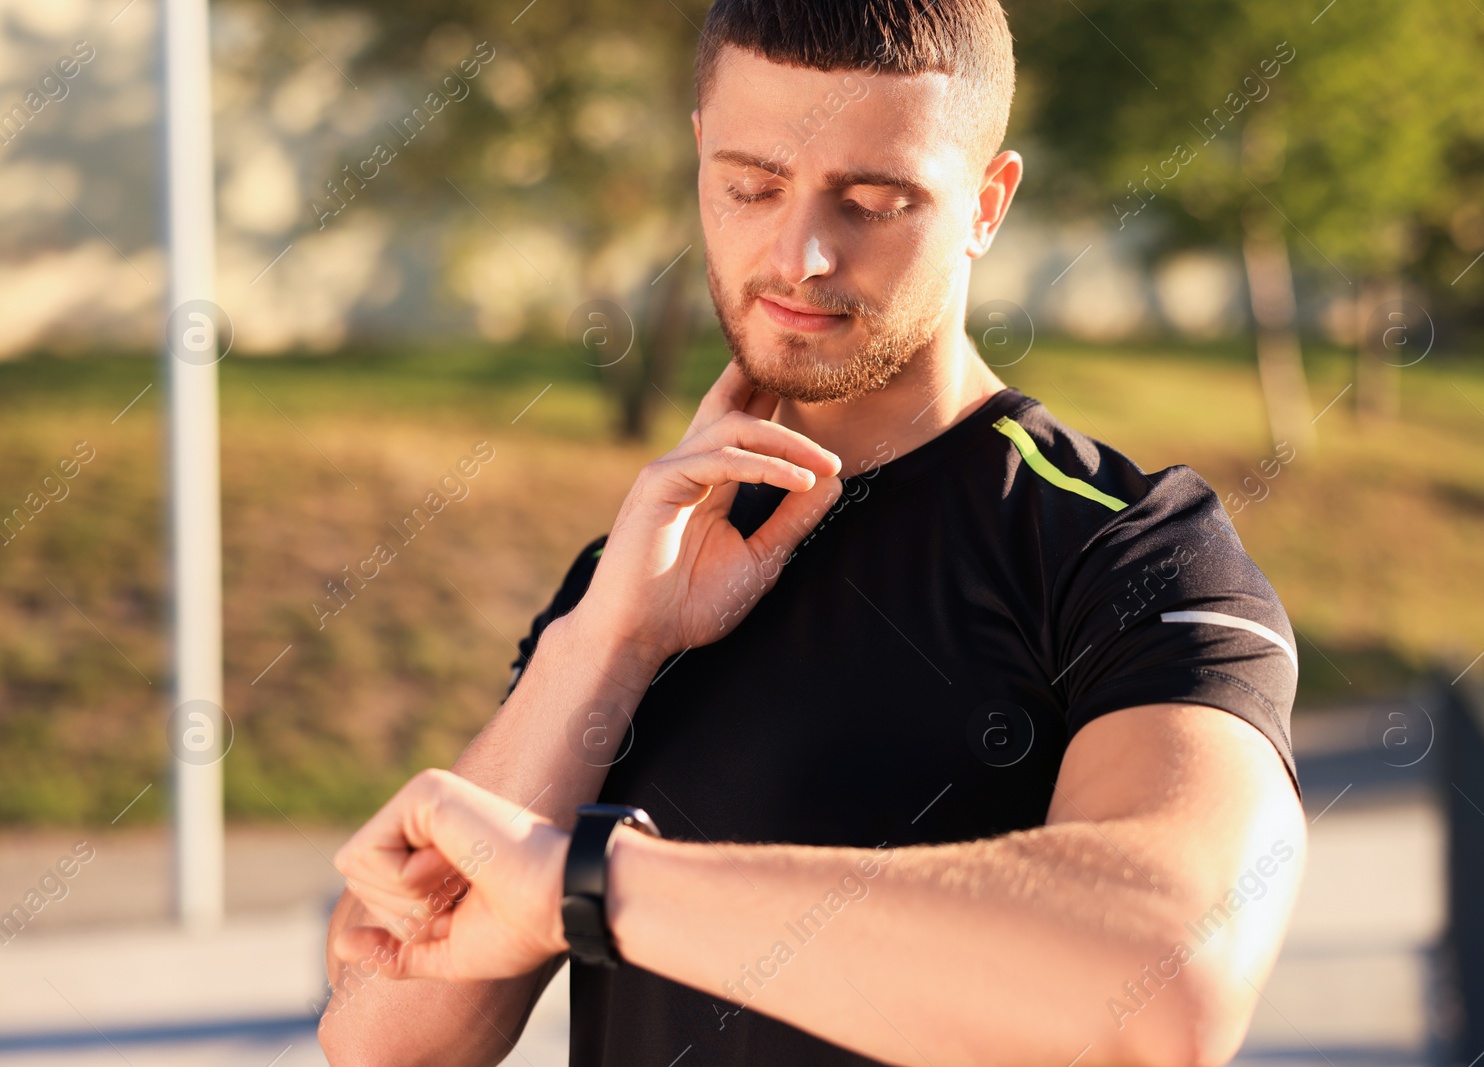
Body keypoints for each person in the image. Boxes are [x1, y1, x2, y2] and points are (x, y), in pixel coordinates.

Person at [319, 1, 1307, 1064]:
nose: (802, 256)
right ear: (700, 151)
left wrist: (592, 885)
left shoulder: (1126, 552)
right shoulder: (632, 576)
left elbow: (1168, 982)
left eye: (874, 201)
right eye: (751, 186)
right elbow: (389, 1037)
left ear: (985, 202)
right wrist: (610, 643)